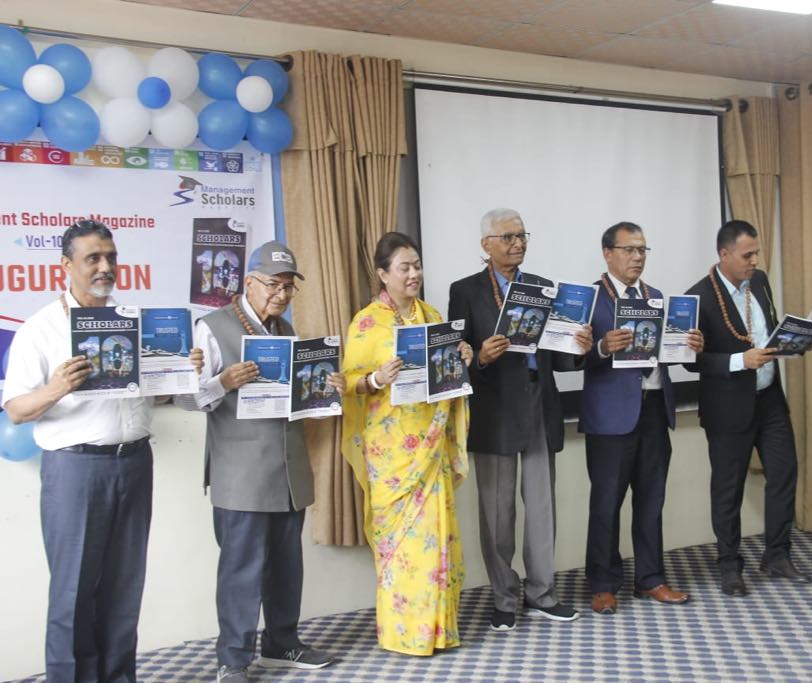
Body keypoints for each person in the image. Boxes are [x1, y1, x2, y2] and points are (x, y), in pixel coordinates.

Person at [1, 219, 203, 682]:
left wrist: (182, 370)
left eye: (110, 257)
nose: (105, 266)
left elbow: (156, 394)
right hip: (75, 470)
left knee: (124, 586)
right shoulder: (41, 328)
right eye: (93, 257)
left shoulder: (136, 322)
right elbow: (16, 410)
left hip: (134, 462)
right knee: (72, 591)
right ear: (66, 265)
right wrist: (56, 388)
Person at [186, 240, 340, 682]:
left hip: (288, 469)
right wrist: (222, 381)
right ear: (249, 282)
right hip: (241, 474)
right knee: (241, 569)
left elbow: (294, 399)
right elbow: (186, 398)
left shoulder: (286, 330)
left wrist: (322, 391)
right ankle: (233, 659)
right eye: (273, 284)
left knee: (287, 566)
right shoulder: (212, 327)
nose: (281, 294)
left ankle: (282, 642)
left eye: (289, 287)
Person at [448, 208, 593, 632]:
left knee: (542, 507)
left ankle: (542, 594)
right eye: (508, 237)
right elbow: (456, 357)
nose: (518, 243)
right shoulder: (465, 290)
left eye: (522, 236)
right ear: (486, 245)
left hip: (539, 403)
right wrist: (481, 357)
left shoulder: (543, 287)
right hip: (494, 408)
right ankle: (504, 598)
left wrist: (580, 347)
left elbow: (559, 356)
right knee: (498, 513)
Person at [341, 231, 472, 656]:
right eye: (404, 267)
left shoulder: (432, 316)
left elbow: (447, 374)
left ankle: (439, 631)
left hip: (431, 447)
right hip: (391, 455)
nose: (414, 274)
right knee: (402, 548)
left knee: (436, 541)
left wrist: (461, 357)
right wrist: (376, 378)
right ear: (383, 274)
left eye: (417, 265)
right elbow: (347, 382)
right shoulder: (366, 323)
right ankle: (403, 634)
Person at [579, 221, 704, 615]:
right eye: (629, 249)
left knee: (651, 501)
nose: (637, 257)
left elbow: (668, 353)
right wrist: (602, 347)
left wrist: (691, 346)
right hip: (610, 418)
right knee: (606, 504)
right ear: (608, 253)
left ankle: (650, 578)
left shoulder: (656, 297)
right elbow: (568, 359)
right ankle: (603, 584)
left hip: (654, 409)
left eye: (642, 250)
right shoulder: (590, 299)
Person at [685, 219, 810, 597]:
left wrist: (794, 341)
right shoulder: (698, 298)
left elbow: (766, 332)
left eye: (756, 253)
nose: (755, 261)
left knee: (784, 473)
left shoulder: (760, 281)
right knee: (728, 489)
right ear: (724, 254)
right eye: (747, 255)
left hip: (769, 398)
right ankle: (729, 565)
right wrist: (741, 360)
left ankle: (777, 555)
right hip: (728, 408)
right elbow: (692, 363)